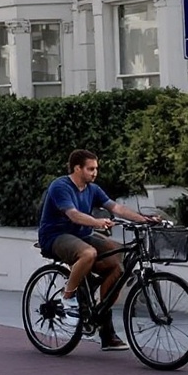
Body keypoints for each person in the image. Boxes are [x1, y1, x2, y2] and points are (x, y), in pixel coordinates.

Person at [37, 148, 157, 351]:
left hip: (82, 235)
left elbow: (117, 208)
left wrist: (145, 219)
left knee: (118, 262)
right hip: (55, 236)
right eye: (90, 169)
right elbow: (73, 215)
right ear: (77, 168)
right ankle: (68, 298)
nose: (95, 173)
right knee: (88, 253)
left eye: (96, 169)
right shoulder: (60, 186)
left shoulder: (93, 189)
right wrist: (97, 222)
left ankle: (104, 327)